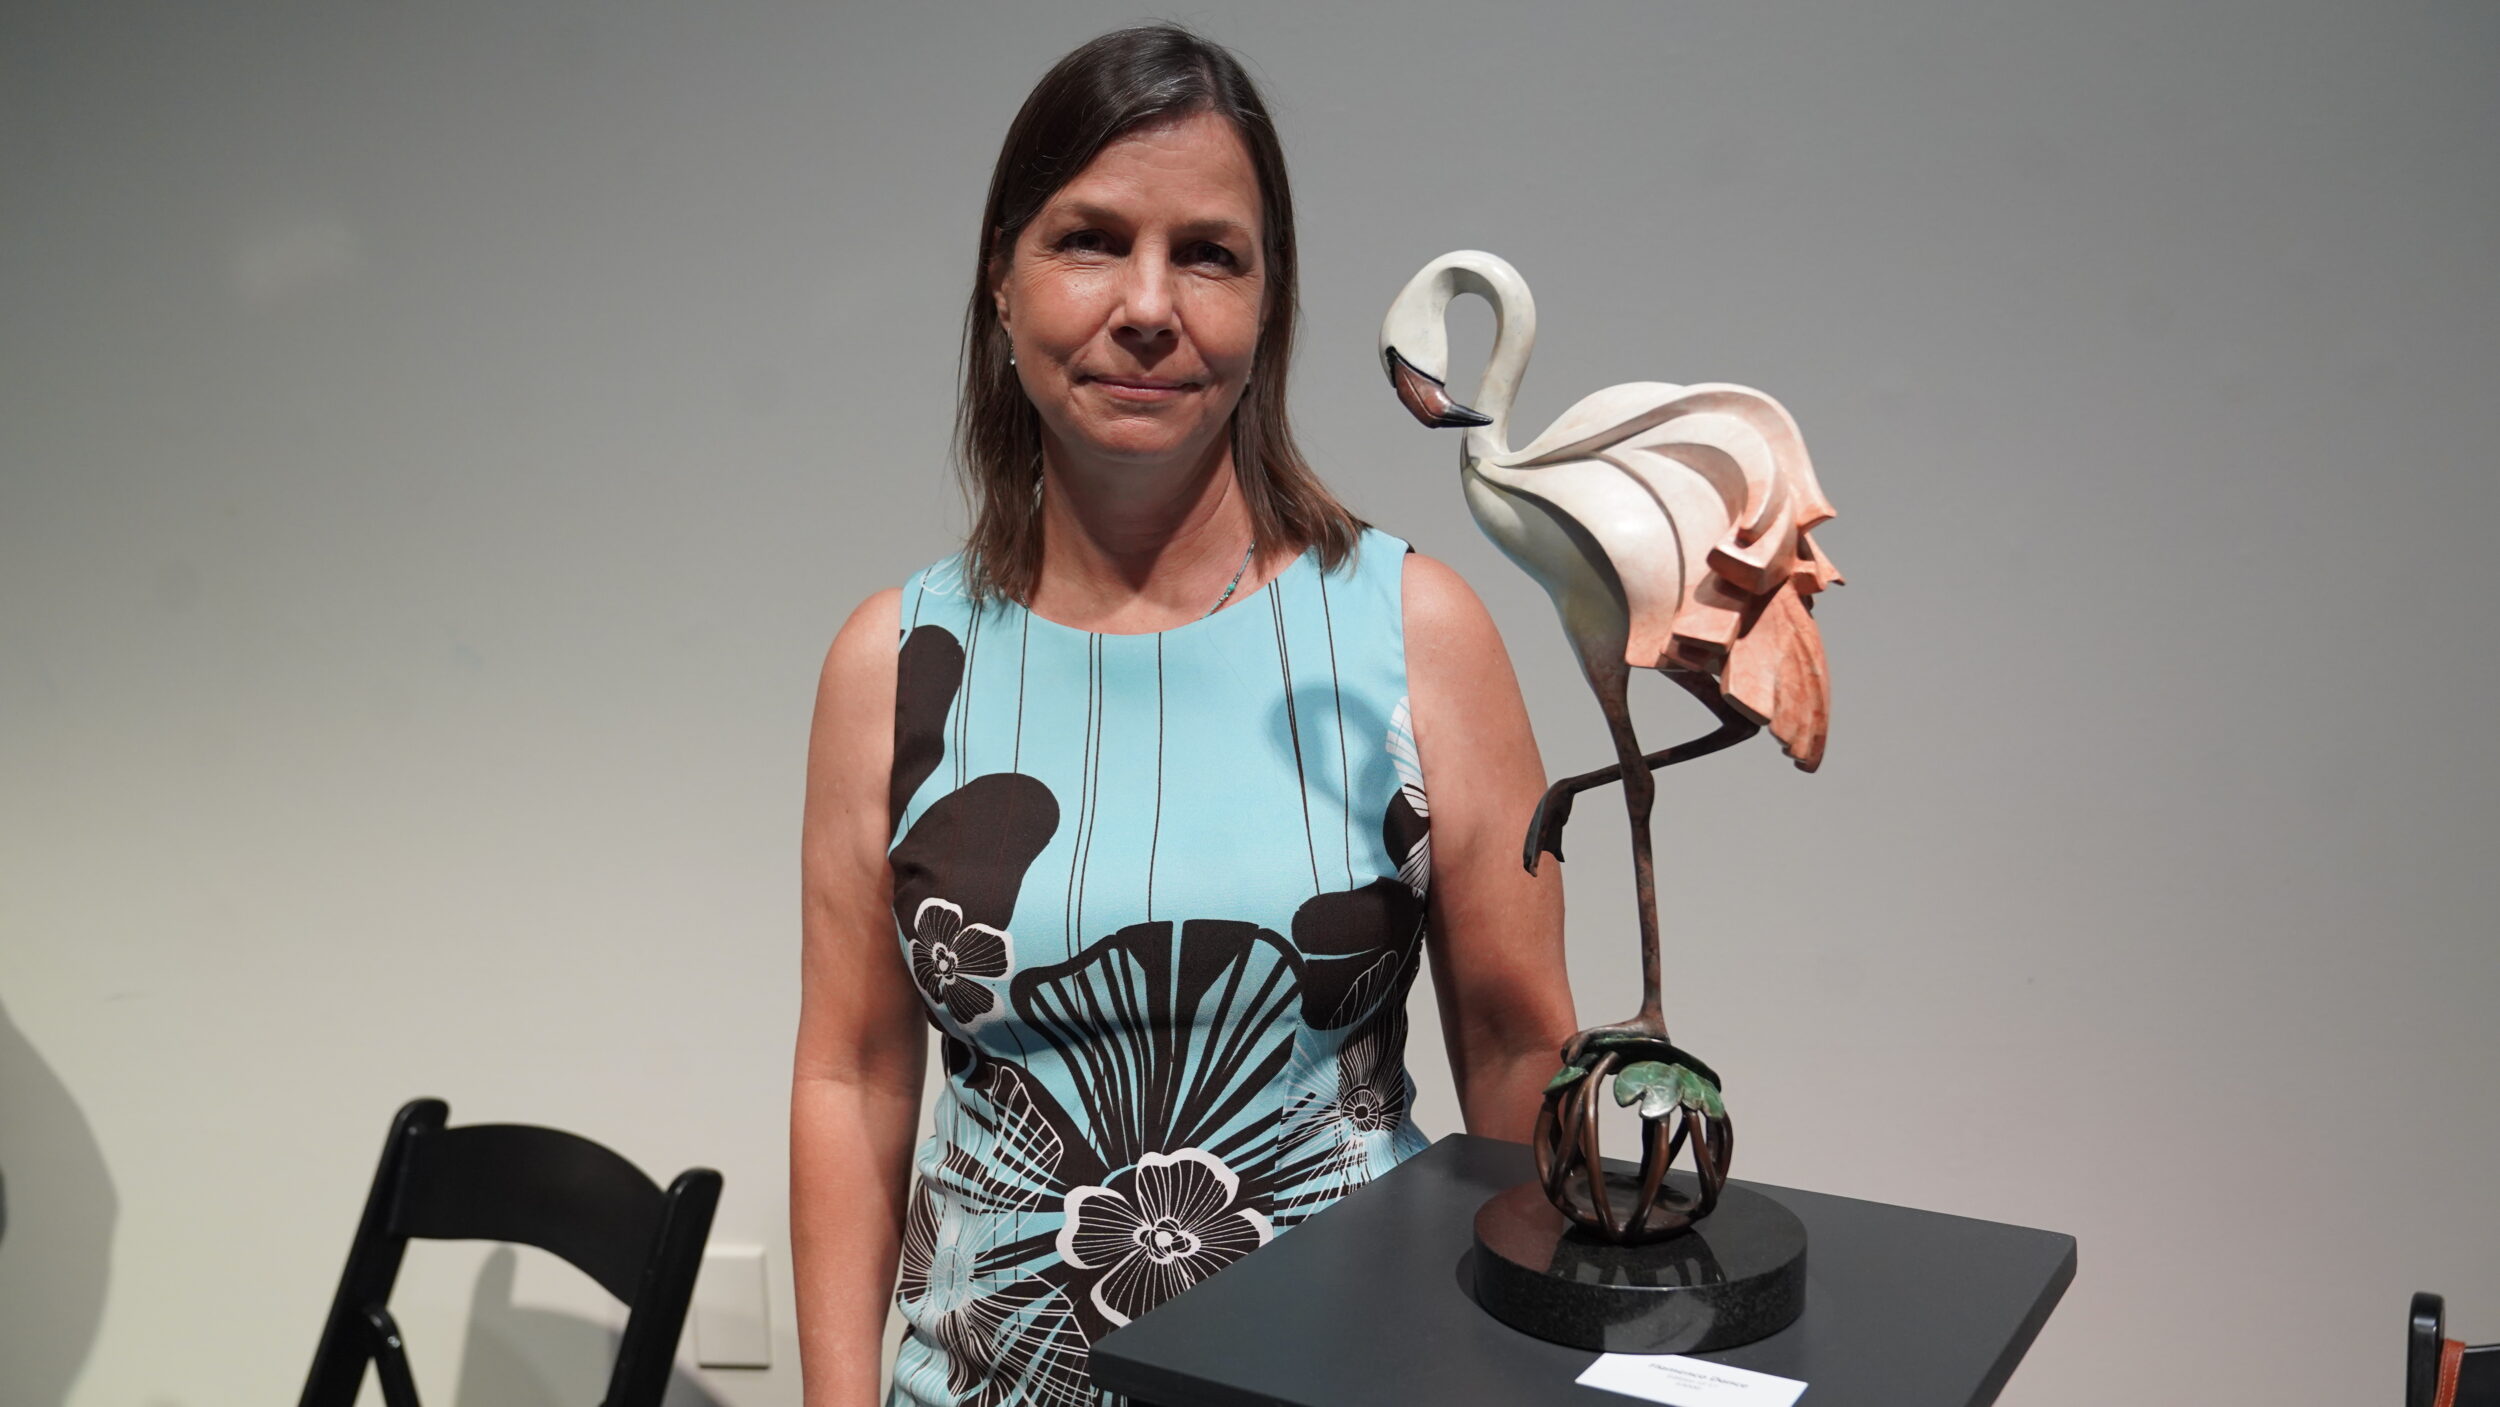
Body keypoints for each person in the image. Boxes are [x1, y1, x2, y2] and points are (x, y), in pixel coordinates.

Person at [791, 25, 1574, 1407]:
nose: (1148, 306)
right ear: (1001, 281)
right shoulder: (897, 663)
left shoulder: (1411, 632)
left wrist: (1535, 1380)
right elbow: (852, 1080)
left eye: (1209, 254)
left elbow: (1520, 1048)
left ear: (1269, 304)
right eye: (1090, 240)